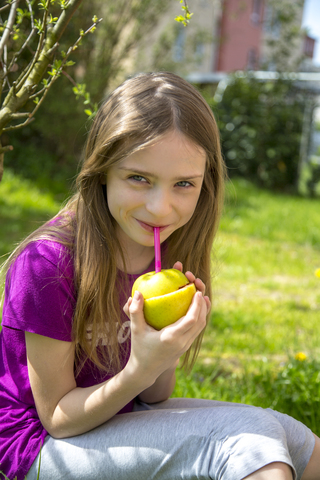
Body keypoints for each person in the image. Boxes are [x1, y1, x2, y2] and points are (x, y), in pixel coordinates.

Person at [0, 72, 319, 480]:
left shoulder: (166, 257)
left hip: (116, 413)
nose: (160, 208)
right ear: (102, 171)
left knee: (295, 439)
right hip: (34, 449)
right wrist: (139, 368)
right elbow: (58, 418)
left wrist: (162, 352)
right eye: (139, 178)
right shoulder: (48, 264)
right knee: (246, 442)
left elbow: (154, 396)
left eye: (183, 184)